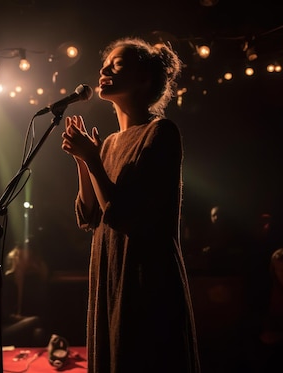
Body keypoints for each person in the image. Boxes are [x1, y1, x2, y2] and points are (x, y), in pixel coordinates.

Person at [60, 37, 201, 372]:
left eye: (118, 64)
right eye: (105, 63)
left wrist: (93, 160)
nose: (104, 69)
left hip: (143, 278)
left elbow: (126, 215)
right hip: (111, 271)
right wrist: (84, 162)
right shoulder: (108, 143)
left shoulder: (160, 133)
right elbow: (90, 215)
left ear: (144, 79)